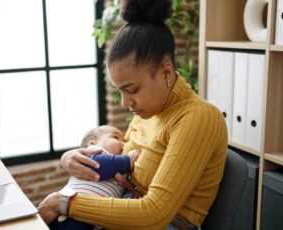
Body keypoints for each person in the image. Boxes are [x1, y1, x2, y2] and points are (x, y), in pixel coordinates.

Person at [38, 0, 228, 229]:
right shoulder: (150, 110)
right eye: (120, 92)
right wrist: (70, 158)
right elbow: (122, 153)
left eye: (132, 90)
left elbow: (154, 215)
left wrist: (64, 203)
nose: (126, 102)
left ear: (166, 72)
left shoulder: (198, 117)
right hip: (122, 203)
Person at [48, 125, 141, 230]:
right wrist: (128, 159)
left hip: (92, 220)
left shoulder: (121, 170)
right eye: (115, 137)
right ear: (92, 143)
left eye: (123, 140)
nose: (123, 143)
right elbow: (103, 165)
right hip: (69, 215)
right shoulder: (93, 154)